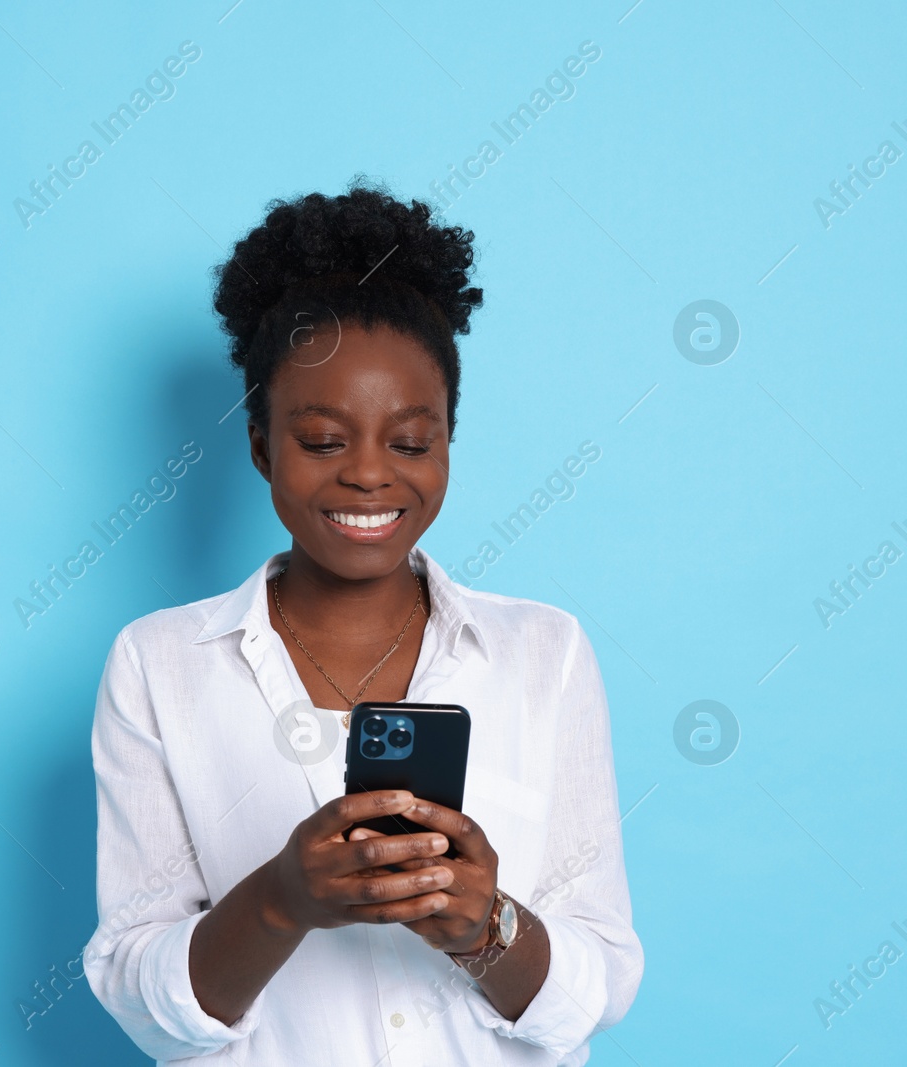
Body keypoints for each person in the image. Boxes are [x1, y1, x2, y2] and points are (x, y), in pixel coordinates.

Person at [83, 181, 642, 1065]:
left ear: (449, 440)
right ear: (262, 444)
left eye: (411, 442)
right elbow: (138, 993)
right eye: (323, 440)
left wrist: (481, 926)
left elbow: (597, 984)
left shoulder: (546, 654)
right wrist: (280, 899)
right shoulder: (158, 666)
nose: (370, 476)